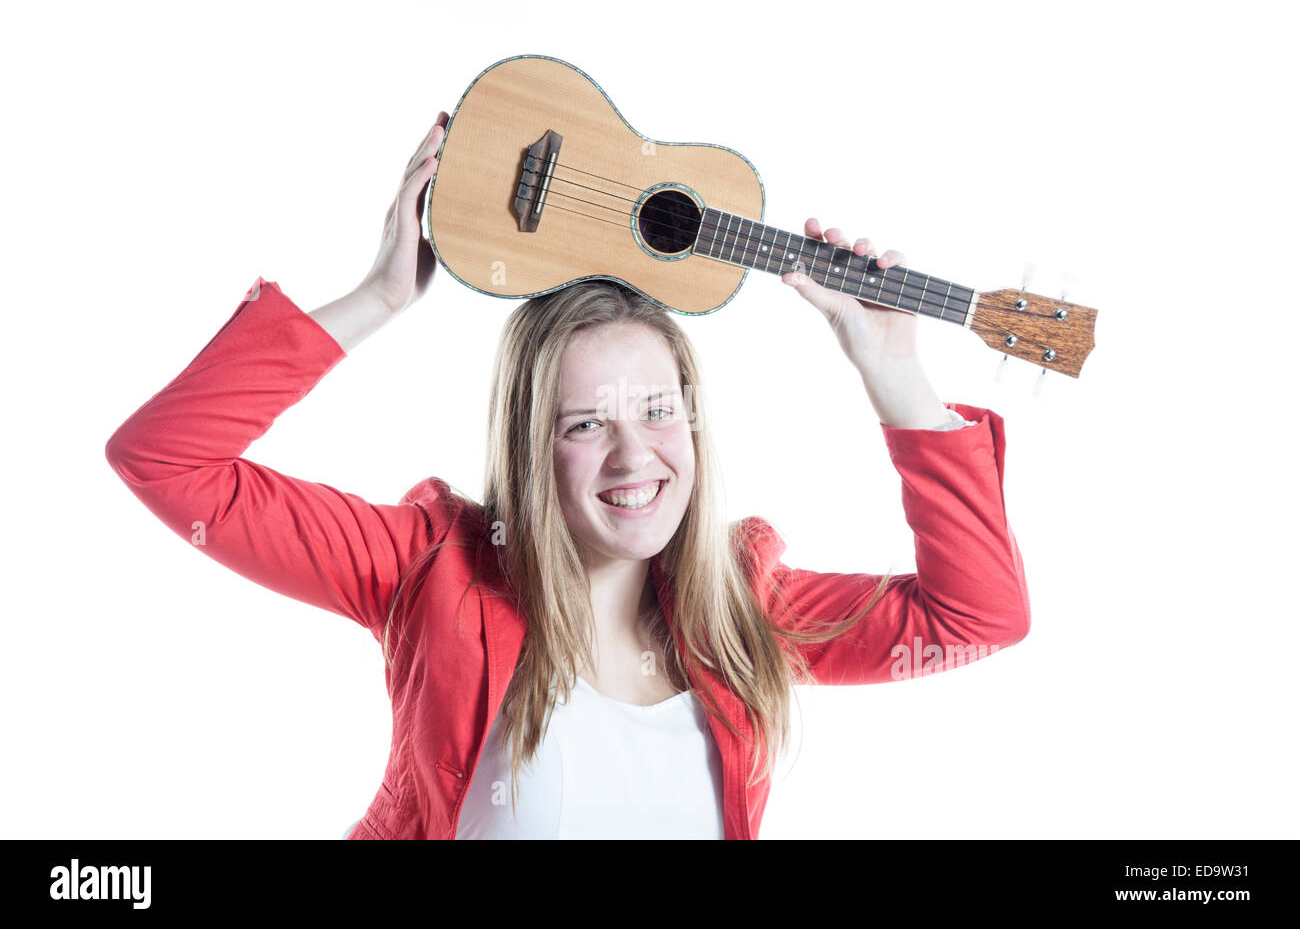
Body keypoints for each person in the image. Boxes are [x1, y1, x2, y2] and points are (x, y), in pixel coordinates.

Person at [105, 112, 1031, 840]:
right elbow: (167, 460)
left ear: (694, 424)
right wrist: (379, 296)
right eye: (587, 424)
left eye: (658, 411)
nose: (636, 458)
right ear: (528, 444)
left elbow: (979, 618)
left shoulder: (742, 615)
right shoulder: (429, 569)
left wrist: (893, 370)